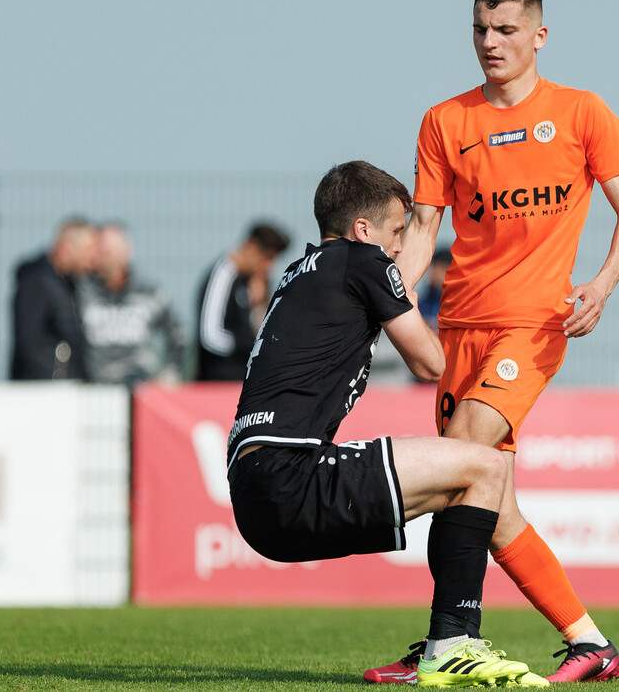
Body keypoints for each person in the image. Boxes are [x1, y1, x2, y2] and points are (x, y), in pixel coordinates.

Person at [367, 0, 619, 684]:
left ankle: (446, 642)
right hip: (458, 327)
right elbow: (426, 227)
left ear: (538, 36)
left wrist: (603, 285)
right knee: (488, 498)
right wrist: (386, 293)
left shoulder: (584, 114)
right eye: (480, 31)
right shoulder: (445, 121)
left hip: (531, 327)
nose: (491, 44)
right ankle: (591, 644)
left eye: (506, 31)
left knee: (458, 461)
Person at [228, 161, 542, 687]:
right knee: (485, 468)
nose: (400, 248)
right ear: (363, 231)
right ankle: (453, 643)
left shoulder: (300, 272)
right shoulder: (363, 262)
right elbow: (431, 363)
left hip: (253, 490)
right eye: (397, 232)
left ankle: (447, 642)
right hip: (294, 475)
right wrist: (410, 301)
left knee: (459, 484)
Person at [78, 223, 186, 386]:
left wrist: (171, 372)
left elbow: (178, 333)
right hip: (94, 390)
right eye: (99, 251)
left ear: (126, 252)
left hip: (139, 388)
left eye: (107, 251)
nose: (102, 257)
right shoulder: (81, 293)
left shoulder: (148, 293)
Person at [195, 222, 290, 381]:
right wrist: (252, 347)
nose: (269, 267)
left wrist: (258, 306)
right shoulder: (223, 273)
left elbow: (259, 330)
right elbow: (210, 336)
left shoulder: (250, 283)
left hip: (242, 383)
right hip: (217, 383)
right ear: (251, 246)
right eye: (267, 258)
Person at [10, 217, 97, 380]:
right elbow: (30, 344)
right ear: (67, 248)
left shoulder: (67, 284)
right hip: (44, 392)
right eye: (88, 251)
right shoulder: (36, 282)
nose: (91, 261)